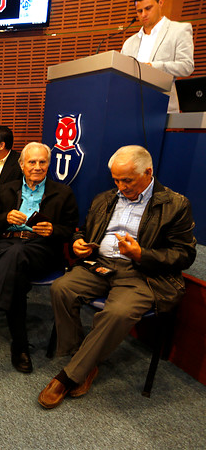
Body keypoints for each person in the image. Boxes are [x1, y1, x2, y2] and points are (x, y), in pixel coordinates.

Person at [38, 145, 196, 409]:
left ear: (148, 172)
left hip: (143, 273)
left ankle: (69, 376)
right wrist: (78, 242)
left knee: (118, 312)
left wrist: (141, 254)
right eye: (116, 180)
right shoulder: (105, 198)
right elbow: (84, 231)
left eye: (128, 180)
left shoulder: (175, 204)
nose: (121, 186)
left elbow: (184, 255)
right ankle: (85, 363)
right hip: (100, 263)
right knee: (62, 288)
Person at [0, 142, 78, 373]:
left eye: (42, 162)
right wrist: (5, 218)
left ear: (48, 164)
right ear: (22, 165)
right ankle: (19, 345)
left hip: (42, 249)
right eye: (32, 162)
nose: (37, 167)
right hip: (8, 244)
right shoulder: (8, 189)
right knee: (16, 271)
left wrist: (53, 231)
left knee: (16, 257)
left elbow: (71, 230)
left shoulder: (63, 193)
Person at [120, 0, 194, 113]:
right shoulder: (129, 43)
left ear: (161, 2)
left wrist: (153, 67)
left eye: (148, 8)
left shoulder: (179, 31)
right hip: (131, 109)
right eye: (139, 11)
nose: (143, 15)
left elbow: (186, 66)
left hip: (163, 109)